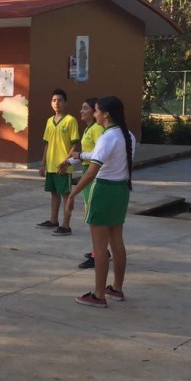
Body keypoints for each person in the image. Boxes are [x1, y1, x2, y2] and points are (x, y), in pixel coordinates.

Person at [66, 96, 136, 308]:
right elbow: (99, 156)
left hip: (103, 190)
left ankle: (98, 295)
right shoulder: (128, 136)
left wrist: (72, 195)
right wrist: (78, 156)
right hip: (121, 190)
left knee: (100, 247)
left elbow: (91, 173)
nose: (94, 114)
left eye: (96, 110)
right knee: (117, 242)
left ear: (106, 114)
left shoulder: (107, 137)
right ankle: (116, 288)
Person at [60, 98, 108, 262]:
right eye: (82, 108)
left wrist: (78, 157)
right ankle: (100, 250)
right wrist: (69, 162)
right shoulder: (88, 129)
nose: (81, 111)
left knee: (93, 214)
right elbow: (85, 155)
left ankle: (98, 253)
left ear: (95, 113)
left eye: (86, 108)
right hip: (88, 169)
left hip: (94, 173)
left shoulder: (97, 130)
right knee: (90, 212)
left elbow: (98, 155)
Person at [37, 89, 79, 233]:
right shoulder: (49, 121)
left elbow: (75, 144)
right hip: (51, 165)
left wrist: (66, 161)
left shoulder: (70, 120)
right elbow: (47, 143)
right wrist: (43, 164)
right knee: (53, 193)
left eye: (60, 100)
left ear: (65, 103)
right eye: (54, 100)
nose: (57, 103)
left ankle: (66, 225)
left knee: (66, 194)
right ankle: (53, 220)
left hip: (63, 165)